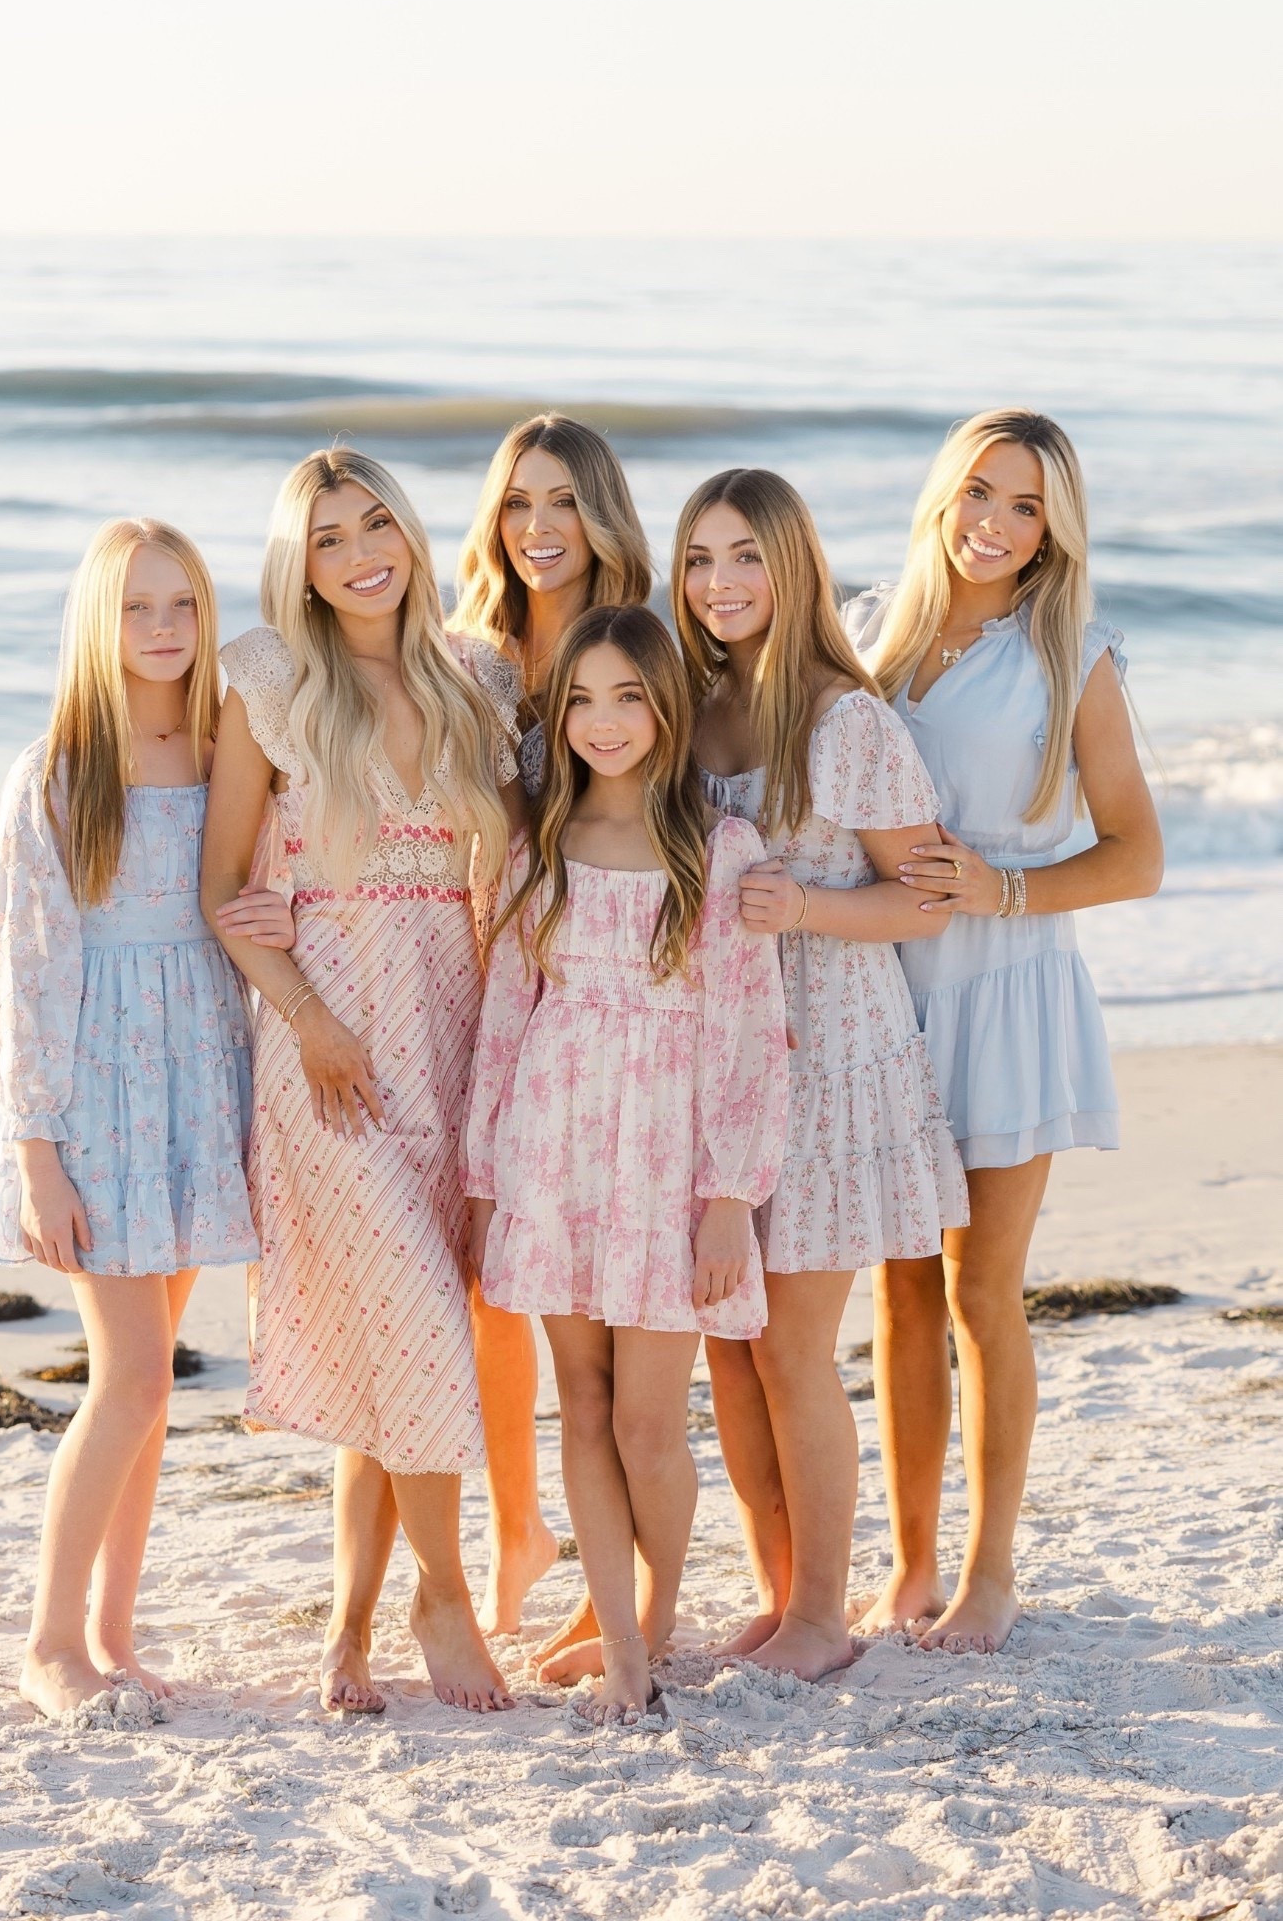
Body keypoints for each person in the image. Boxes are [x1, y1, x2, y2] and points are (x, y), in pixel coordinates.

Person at [201, 447, 519, 1714]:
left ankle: (347, 1630)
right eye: (328, 537)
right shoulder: (271, 679)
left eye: (375, 521)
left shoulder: (478, 675)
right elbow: (227, 890)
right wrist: (313, 1021)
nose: (360, 552)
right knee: (417, 1320)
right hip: (325, 1049)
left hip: (451, 1030)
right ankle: (444, 1592)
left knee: (401, 1341)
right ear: (302, 562)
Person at [844, 408, 1163, 1653]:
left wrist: (1007, 887)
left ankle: (989, 1575)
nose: (993, 522)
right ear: (943, 492)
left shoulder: (1070, 652)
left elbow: (1137, 854)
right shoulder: (872, 627)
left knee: (983, 1290)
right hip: (883, 983)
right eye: (980, 491)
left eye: (1025, 505)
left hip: (1010, 983)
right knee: (898, 1287)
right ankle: (909, 1565)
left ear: (1053, 528)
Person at [0, 517, 294, 1719]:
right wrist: (35, 1149)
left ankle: (114, 1631)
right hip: (98, 1088)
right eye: (136, 608)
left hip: (196, 1078)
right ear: (96, 625)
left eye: (183, 605)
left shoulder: (225, 746)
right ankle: (51, 1639)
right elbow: (26, 969)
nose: (162, 630)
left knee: (149, 1389)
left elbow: (256, 896)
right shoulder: (58, 769)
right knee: (135, 1381)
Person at [463, 606, 789, 1722]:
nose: (605, 722)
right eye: (584, 700)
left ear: (668, 706)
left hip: (666, 1159)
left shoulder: (720, 849)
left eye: (630, 697)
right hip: (553, 1151)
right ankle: (628, 1650)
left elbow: (750, 1034)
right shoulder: (537, 845)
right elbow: (507, 1021)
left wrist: (729, 1198)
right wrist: (485, 1179)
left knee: (651, 1422)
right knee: (582, 1407)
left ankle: (652, 1612)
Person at [673, 468, 967, 1679]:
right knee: (725, 1343)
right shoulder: (687, 708)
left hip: (834, 1049)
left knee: (792, 1345)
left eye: (744, 556)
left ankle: (821, 1615)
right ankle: (777, 1591)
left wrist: (807, 905)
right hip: (717, 1058)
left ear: (790, 565)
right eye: (698, 559)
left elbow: (928, 899)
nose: (721, 584)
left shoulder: (848, 722)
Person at [447, 411, 651, 1639]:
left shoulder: (635, 650)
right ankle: (519, 1524)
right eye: (518, 502)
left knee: (611, 1313)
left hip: (596, 1000)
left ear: (601, 511)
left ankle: (610, 1581)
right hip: (468, 970)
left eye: (564, 500)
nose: (538, 526)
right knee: (490, 1280)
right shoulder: (467, 657)